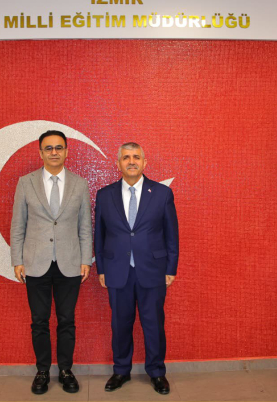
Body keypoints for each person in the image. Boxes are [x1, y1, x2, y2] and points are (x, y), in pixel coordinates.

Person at [10, 130, 92, 395]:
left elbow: (85, 226)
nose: (54, 152)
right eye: (49, 148)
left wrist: (86, 259)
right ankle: (42, 371)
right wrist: (17, 259)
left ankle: (66, 370)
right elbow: (18, 225)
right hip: (36, 263)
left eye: (59, 147)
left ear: (66, 151)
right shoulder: (26, 183)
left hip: (70, 262)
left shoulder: (80, 184)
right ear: (40, 152)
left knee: (67, 320)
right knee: (39, 321)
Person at [94, 142, 179, 395]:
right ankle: (121, 370)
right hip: (117, 270)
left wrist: (171, 268)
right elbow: (99, 235)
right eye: (126, 157)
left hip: (153, 269)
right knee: (120, 324)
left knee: (153, 324)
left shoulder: (162, 193)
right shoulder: (104, 195)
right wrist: (101, 269)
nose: (131, 161)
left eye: (136, 157)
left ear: (144, 162)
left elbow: (171, 234)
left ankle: (157, 372)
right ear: (118, 163)